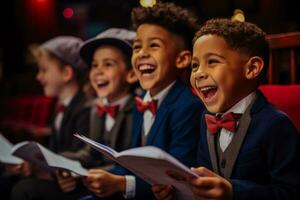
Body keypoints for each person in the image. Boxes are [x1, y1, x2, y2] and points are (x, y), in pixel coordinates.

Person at [153, 18, 300, 200]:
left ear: (252, 68)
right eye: (195, 66)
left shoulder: (276, 124)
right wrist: (179, 190)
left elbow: (292, 192)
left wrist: (233, 191)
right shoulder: (205, 119)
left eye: (212, 61)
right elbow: (204, 177)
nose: (198, 73)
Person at [82, 2, 204, 200]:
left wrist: (121, 183)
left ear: (181, 60)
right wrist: (98, 176)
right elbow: (132, 165)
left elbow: (180, 178)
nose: (142, 53)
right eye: (137, 47)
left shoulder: (188, 106)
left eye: (154, 45)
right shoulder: (142, 102)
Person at [54, 27, 138, 197]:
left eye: (108, 64)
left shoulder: (137, 109)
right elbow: (90, 153)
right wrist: (59, 161)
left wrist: (86, 174)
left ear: (131, 73)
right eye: (94, 65)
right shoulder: (95, 108)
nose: (98, 72)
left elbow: (130, 164)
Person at [11, 36, 91, 200]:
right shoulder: (60, 107)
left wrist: (42, 170)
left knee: (23, 189)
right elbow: (55, 151)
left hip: (76, 185)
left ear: (67, 73)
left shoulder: (84, 108)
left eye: (44, 70)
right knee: (9, 179)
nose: (38, 77)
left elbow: (82, 159)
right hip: (60, 177)